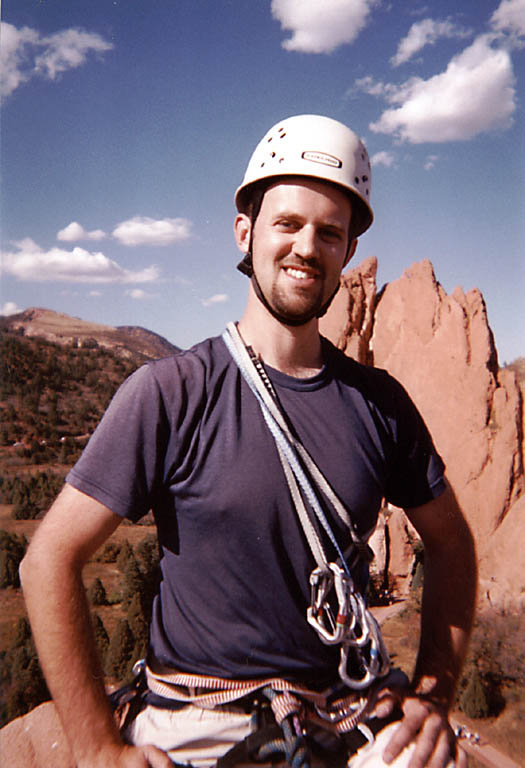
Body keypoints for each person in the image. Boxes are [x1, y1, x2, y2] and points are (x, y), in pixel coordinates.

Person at [20, 114, 477, 768]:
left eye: (328, 232)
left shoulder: (380, 404)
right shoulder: (171, 390)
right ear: (246, 231)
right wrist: (95, 745)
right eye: (287, 224)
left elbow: (452, 541)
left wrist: (433, 693)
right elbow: (47, 560)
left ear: (346, 252)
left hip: (344, 708)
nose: (306, 247)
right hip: (200, 718)